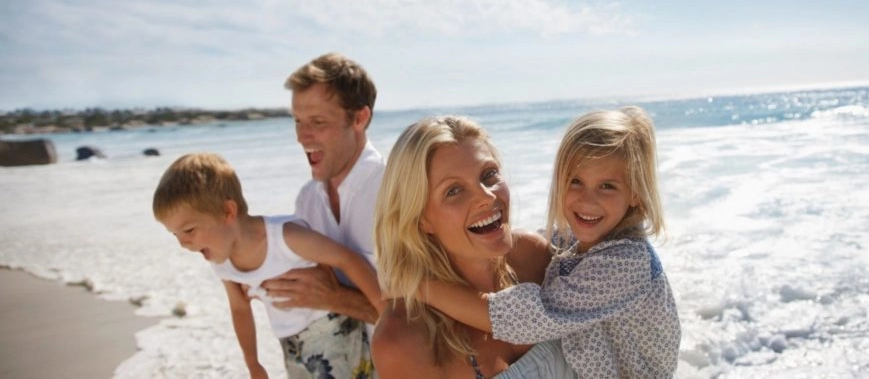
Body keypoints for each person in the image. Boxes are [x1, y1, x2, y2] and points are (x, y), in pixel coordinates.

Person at [419, 107, 682, 378]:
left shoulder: (626, 263)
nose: (587, 200)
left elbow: (531, 318)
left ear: (636, 193)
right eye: (575, 181)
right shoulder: (577, 241)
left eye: (607, 186)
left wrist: (424, 288)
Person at [371, 115, 577, 378]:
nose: (487, 196)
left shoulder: (533, 257)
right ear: (420, 219)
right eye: (454, 191)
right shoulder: (403, 339)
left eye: (489, 174)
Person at [153, 153, 385, 379]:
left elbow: (347, 259)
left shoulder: (285, 237)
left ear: (228, 212)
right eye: (175, 235)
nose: (183, 243)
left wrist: (385, 312)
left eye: (189, 230)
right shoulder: (222, 261)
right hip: (289, 343)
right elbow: (240, 309)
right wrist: (252, 363)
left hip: (335, 332)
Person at [259, 53, 385, 375]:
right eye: (297, 121)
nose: (302, 136)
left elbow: (436, 319)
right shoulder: (307, 201)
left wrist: (338, 298)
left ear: (359, 118)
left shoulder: (395, 192)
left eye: (317, 122)